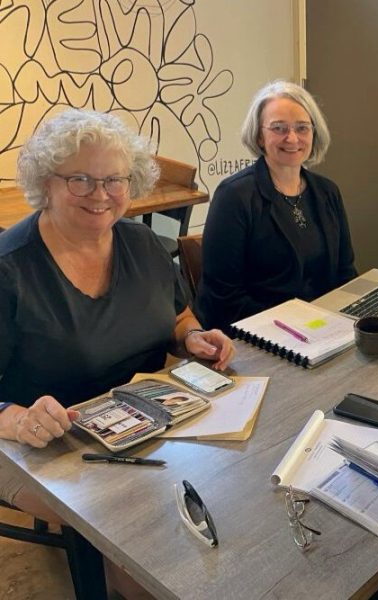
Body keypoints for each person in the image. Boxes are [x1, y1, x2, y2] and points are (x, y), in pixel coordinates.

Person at [0, 108, 235, 520]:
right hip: (40, 447)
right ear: (46, 184)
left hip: (145, 423)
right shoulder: (10, 269)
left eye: (114, 180)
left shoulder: (143, 243)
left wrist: (192, 337)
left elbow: (178, 315)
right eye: (80, 179)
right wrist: (18, 420)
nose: (100, 194)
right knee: (141, 551)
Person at [196, 80, 357, 330]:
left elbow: (345, 273)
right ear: (260, 136)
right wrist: (296, 326)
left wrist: (350, 319)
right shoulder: (234, 196)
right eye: (278, 128)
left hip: (322, 328)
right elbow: (224, 298)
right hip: (258, 335)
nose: (292, 138)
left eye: (302, 128)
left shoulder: (327, 192)